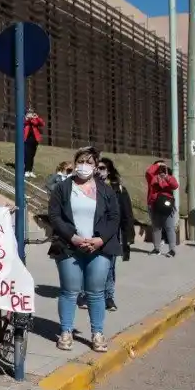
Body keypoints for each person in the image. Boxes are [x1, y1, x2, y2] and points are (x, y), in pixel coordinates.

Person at [48, 147, 121, 352]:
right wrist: (73, 237)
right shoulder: (63, 188)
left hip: (99, 248)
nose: (84, 166)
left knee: (96, 293)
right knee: (69, 291)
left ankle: (97, 333)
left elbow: (115, 217)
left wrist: (100, 239)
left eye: (89, 162)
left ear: (96, 166)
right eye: (81, 161)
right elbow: (54, 215)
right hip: (69, 247)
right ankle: (66, 331)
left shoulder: (105, 190)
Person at [95, 157, 133, 311]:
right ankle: (88, 294)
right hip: (92, 232)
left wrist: (128, 237)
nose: (99, 171)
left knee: (109, 267)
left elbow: (127, 215)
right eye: (96, 167)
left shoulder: (118, 189)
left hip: (112, 234)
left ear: (109, 171)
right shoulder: (87, 186)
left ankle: (108, 297)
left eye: (102, 168)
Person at [145, 160, 179, 257]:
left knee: (169, 228)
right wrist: (157, 165)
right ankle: (156, 249)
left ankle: (172, 250)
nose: (161, 169)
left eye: (163, 167)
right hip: (154, 205)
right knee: (156, 228)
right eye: (159, 168)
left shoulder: (170, 178)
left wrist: (166, 177)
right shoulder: (152, 177)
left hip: (167, 206)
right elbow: (148, 172)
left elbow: (175, 186)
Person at [22, 109, 44, 177]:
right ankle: (26, 170)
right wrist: (28, 118)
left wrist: (37, 117)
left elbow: (42, 123)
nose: (30, 114)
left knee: (32, 156)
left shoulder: (34, 119)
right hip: (27, 140)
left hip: (34, 140)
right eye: (29, 113)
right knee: (27, 155)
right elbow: (25, 123)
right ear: (26, 114)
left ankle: (30, 171)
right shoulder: (24, 119)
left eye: (31, 113)